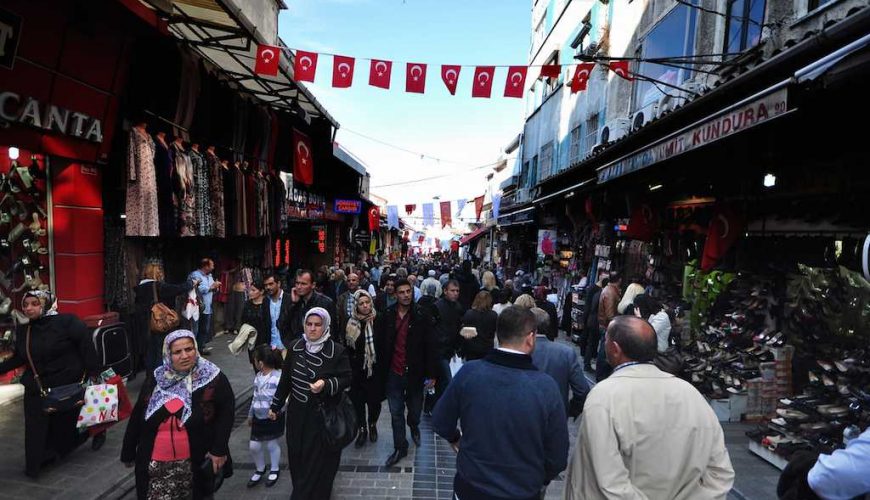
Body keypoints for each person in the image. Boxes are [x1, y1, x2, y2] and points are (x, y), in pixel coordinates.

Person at [563, 316, 734, 499]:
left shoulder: (604, 397)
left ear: (614, 348)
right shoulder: (692, 395)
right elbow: (720, 472)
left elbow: (608, 480)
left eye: (605, 340)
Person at [432, 306, 568, 500]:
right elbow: (557, 455)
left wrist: (456, 438)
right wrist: (536, 478)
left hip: (471, 488)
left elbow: (440, 420)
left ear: (498, 335)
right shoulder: (546, 387)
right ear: (530, 338)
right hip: (521, 490)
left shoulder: (470, 373)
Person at [121, 330, 235, 500]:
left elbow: (227, 413)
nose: (184, 356)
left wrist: (219, 450)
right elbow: (138, 416)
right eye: (177, 352)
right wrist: (128, 451)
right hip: (154, 467)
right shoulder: (156, 379)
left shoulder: (212, 378)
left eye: (189, 349)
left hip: (194, 465)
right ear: (168, 354)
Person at [0, 290, 102, 477]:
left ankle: (93, 433)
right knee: (35, 426)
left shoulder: (68, 322)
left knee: (68, 420)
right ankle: (35, 465)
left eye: (34, 303)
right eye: (26, 304)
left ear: (46, 303)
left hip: (67, 382)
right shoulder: (26, 330)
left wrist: (94, 373)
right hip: (38, 386)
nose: (29, 308)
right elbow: (19, 358)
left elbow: (86, 346)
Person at [269, 308, 351, 500]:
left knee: (318, 462)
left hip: (322, 417)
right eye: (309, 324)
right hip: (297, 416)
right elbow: (286, 380)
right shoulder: (296, 347)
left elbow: (347, 378)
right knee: (297, 456)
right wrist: (275, 405)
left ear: (326, 326)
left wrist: (326, 384)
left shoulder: (336, 350)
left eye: (317, 325)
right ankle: (301, 489)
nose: (312, 329)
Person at [377, 279, 439, 467]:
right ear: (395, 294)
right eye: (401, 292)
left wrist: (432, 374)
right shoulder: (387, 315)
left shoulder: (422, 315)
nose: (405, 295)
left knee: (414, 411)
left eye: (408, 291)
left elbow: (431, 346)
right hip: (393, 373)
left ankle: (414, 425)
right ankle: (400, 447)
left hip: (415, 373)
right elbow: (381, 345)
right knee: (396, 413)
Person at [133, 262, 196, 374]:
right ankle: (158, 377)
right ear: (157, 273)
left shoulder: (139, 288)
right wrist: (192, 283)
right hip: (158, 323)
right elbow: (178, 288)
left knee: (150, 352)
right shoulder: (157, 286)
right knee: (160, 351)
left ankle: (151, 375)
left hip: (144, 324)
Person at [530, 307, 589, 417]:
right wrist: (570, 410)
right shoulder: (566, 353)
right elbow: (582, 390)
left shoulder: (520, 350)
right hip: (556, 415)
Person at [344, 290, 384, 448]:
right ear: (356, 306)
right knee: (358, 403)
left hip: (374, 370)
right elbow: (347, 347)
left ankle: (372, 423)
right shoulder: (351, 323)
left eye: (367, 302)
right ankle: (362, 428)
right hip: (356, 371)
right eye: (361, 303)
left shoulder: (379, 319)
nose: (365, 306)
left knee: (375, 402)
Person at [246, 345, 284, 489]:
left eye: (255, 360)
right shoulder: (258, 377)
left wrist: (277, 411)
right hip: (258, 416)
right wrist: (250, 414)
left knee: (271, 444)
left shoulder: (277, 377)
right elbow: (254, 397)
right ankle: (260, 468)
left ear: (260, 363)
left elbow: (283, 398)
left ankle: (274, 468)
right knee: (254, 446)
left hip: (271, 416)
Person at [428, 279, 464, 413]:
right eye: (452, 291)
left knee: (442, 380)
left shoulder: (458, 307)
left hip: (449, 349)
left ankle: (433, 405)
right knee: (447, 379)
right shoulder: (437, 306)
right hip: (439, 349)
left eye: (457, 291)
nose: (455, 293)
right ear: (445, 291)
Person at [285, 269, 336, 347]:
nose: (299, 287)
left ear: (313, 285)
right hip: (298, 347)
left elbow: (332, 330)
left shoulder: (326, 302)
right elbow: (284, 326)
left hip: (320, 347)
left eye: (303, 284)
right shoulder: (293, 301)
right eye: (297, 283)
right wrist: (293, 304)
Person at [188, 258, 222, 356]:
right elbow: (197, 288)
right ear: (206, 266)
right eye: (212, 265)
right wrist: (212, 287)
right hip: (196, 307)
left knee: (204, 329)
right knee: (195, 330)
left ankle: (201, 348)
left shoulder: (209, 276)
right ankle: (192, 351)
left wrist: (215, 287)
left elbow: (211, 288)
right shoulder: (195, 275)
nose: (213, 267)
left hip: (207, 306)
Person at [237, 281, 272, 372]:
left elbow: (270, 323)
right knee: (256, 365)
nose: (250, 292)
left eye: (253, 290)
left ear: (261, 291)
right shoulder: (247, 304)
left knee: (267, 366)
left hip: (265, 339)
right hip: (252, 340)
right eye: (249, 290)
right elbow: (243, 320)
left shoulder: (267, 303)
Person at [596, 272, 622, 381]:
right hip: (607, 326)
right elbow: (610, 314)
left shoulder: (609, 290)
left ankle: (601, 374)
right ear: (619, 280)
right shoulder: (610, 292)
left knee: (605, 349)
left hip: (606, 324)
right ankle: (601, 375)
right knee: (604, 350)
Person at [460, 291, 498, 361]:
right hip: (487, 348)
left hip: (472, 349)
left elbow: (465, 333)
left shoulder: (469, 314)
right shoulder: (493, 315)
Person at [335, 272, 361, 346]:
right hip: (346, 331)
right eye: (349, 281)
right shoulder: (342, 297)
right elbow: (337, 315)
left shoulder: (364, 295)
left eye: (353, 280)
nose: (351, 282)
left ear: (358, 282)